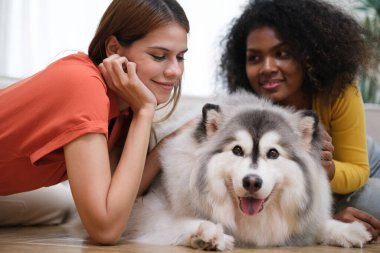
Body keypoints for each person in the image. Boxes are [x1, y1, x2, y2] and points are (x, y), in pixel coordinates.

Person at [0, 0, 189, 245]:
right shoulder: (83, 85)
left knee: (64, 206)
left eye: (181, 57)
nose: (175, 70)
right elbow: (105, 228)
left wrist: (165, 145)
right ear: (114, 49)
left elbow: (116, 200)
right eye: (159, 56)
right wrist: (145, 110)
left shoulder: (119, 111)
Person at [218, 0, 380, 240]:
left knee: (369, 206)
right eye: (254, 58)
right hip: (312, 181)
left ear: (308, 54)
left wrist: (324, 167)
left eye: (282, 53)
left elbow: (357, 169)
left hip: (355, 164)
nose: (267, 67)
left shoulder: (339, 91)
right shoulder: (247, 103)